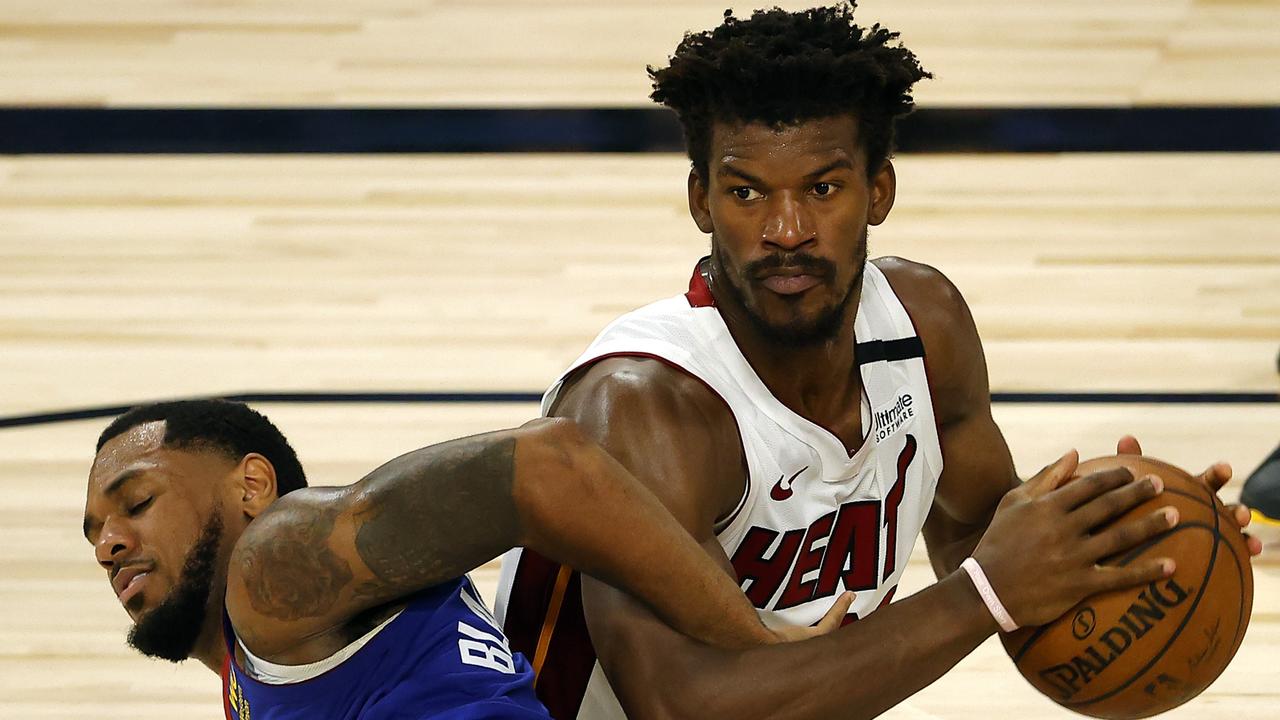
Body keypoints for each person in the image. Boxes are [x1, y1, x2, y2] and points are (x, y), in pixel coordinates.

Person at [494, 4, 1263, 718]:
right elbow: (680, 704)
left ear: (878, 191)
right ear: (701, 202)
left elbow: (978, 535)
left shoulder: (925, 326)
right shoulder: (645, 404)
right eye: (747, 192)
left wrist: (1131, 533)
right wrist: (980, 597)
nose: (786, 229)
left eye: (822, 188)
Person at [83, 399, 845, 719]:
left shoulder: (276, 563)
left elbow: (545, 465)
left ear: (252, 485)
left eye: (136, 502)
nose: (109, 544)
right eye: (93, 533)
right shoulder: (258, 660)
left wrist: (749, 637)